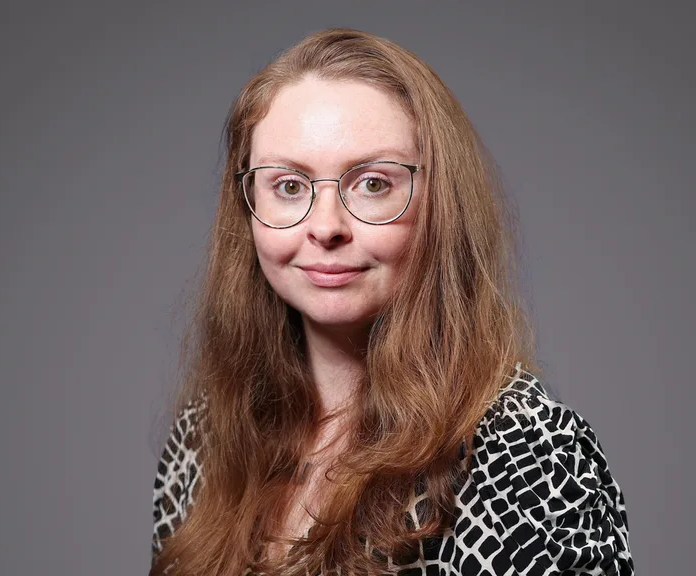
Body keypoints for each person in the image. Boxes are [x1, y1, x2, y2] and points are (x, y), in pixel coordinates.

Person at [150, 28, 634, 576]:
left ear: (438, 206)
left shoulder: (532, 454)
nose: (326, 227)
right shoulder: (208, 436)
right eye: (288, 186)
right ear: (246, 205)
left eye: (373, 184)